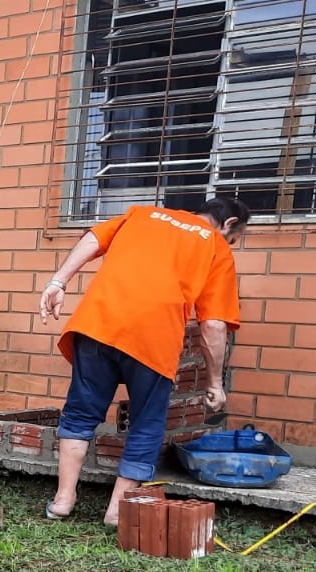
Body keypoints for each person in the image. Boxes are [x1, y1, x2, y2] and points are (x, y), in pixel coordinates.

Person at [38, 196, 247, 526]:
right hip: (154, 337)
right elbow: (214, 325)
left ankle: (63, 500)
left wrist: (57, 281)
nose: (230, 243)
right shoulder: (215, 246)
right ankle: (117, 510)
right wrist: (215, 383)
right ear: (229, 224)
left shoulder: (142, 214)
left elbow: (92, 239)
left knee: (80, 411)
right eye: (233, 238)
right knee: (146, 423)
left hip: (97, 324)